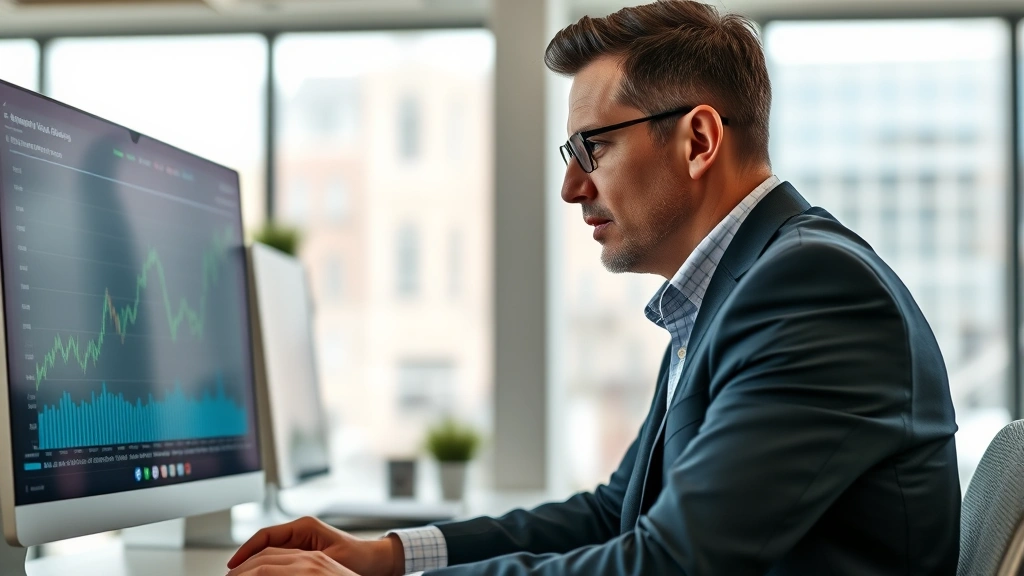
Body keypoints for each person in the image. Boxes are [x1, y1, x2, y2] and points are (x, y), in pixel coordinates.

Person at [225, 1, 961, 574]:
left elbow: (670, 563)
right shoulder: (737, 289)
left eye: (594, 147)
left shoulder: (810, 289)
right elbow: (619, 514)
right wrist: (384, 557)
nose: (572, 186)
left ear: (699, 140)